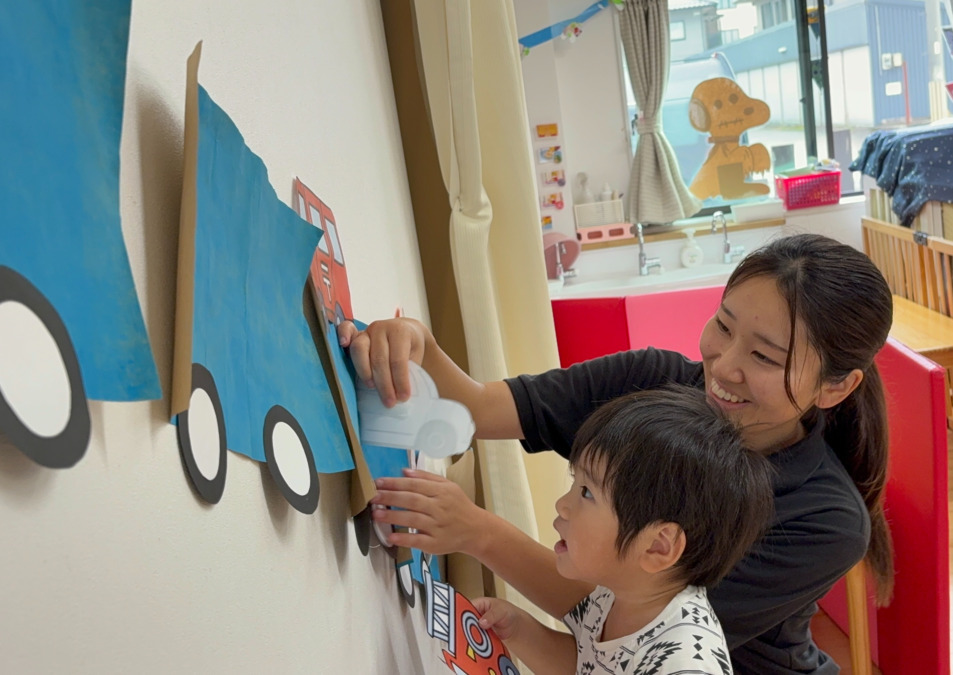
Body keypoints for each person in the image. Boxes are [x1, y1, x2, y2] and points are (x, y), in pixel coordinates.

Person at [341, 233, 895, 674]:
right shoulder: (651, 382)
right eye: (722, 326)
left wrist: (478, 533)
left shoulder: (827, 522)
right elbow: (484, 408)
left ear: (834, 387)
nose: (722, 367)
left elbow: (616, 623)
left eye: (764, 357)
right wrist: (417, 346)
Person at [473, 386, 773, 675]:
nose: (563, 505)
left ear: (658, 546)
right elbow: (588, 666)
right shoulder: (622, 591)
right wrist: (518, 628)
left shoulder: (685, 664)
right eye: (574, 484)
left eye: (587, 493)